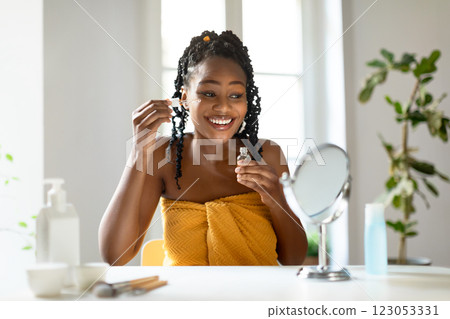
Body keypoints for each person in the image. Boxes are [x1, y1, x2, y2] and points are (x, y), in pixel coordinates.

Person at [99, 30, 308, 266]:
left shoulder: (266, 155)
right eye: (209, 93)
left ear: (246, 101)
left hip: (255, 297)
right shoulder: (162, 156)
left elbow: (294, 259)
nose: (223, 106)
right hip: (186, 299)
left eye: (236, 95)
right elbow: (115, 255)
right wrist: (138, 152)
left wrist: (275, 198)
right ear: (185, 98)